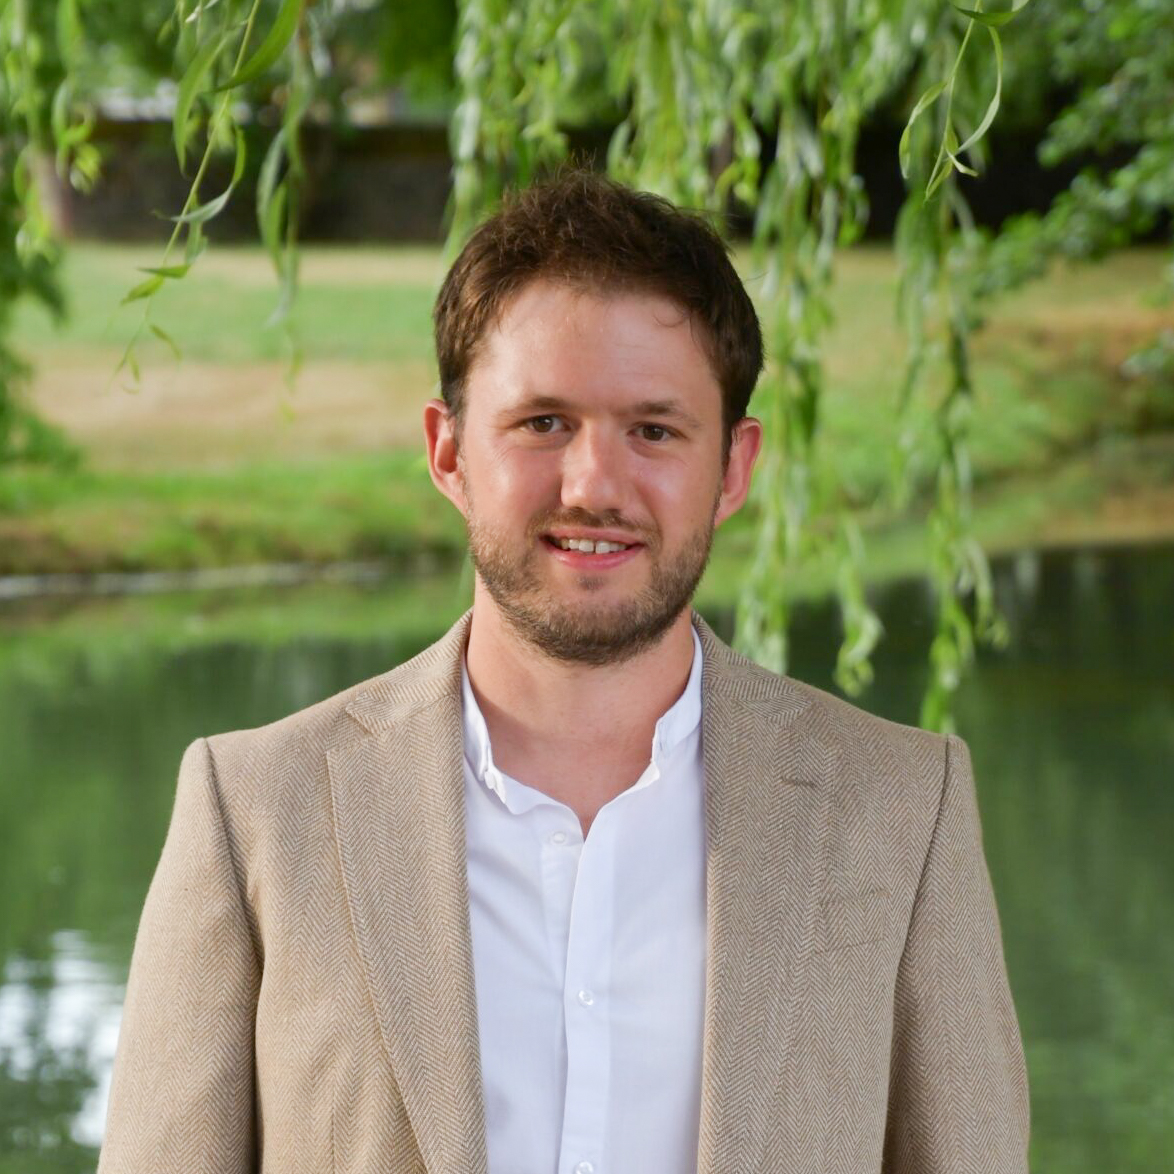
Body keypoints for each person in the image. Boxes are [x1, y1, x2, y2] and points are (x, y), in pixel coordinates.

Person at [98, 171, 1029, 1174]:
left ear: (732, 469)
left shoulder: (903, 809)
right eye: (543, 422)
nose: (593, 485)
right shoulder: (253, 812)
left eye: (654, 430)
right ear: (448, 452)